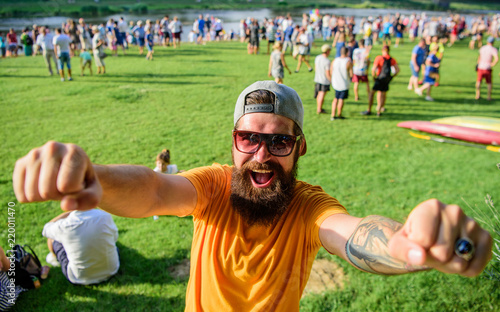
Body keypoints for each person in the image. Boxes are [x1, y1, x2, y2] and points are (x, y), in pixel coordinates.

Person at [13, 80, 493, 311]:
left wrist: (406, 246)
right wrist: (99, 180)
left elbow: (353, 233)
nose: (262, 155)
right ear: (233, 142)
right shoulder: (215, 186)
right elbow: (157, 190)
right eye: (250, 139)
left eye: (279, 142)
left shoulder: (309, 207)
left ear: (299, 148)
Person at [43, 209, 119, 285]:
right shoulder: (105, 215)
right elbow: (115, 238)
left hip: (79, 278)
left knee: (52, 238)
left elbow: (46, 229)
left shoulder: (64, 225)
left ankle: (54, 258)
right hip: (111, 270)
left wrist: (68, 213)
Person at [361, 45, 399, 117]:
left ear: (382, 50)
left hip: (380, 78)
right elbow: (397, 70)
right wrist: (392, 77)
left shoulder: (379, 58)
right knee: (383, 93)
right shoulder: (391, 59)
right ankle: (380, 108)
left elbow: (373, 69)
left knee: (373, 93)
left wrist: (374, 77)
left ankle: (370, 109)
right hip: (387, 79)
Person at [330, 46, 352, 120]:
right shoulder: (348, 62)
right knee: (341, 99)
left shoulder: (335, 60)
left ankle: (333, 114)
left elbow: (331, 71)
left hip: (336, 82)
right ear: (347, 53)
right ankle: (339, 114)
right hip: (344, 83)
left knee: (336, 98)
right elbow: (351, 74)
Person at [475, 36, 498, 101]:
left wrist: (477, 64)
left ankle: (477, 95)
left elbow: (479, 57)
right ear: (493, 42)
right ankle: (489, 96)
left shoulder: (482, 48)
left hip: (480, 66)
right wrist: (492, 64)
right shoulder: (493, 49)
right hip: (487, 67)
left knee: (479, 81)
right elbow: (496, 59)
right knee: (489, 83)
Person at [314, 44, 332, 114]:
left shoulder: (318, 57)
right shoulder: (327, 61)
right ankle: (319, 109)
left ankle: (319, 107)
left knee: (319, 94)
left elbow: (315, 68)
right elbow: (327, 73)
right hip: (324, 80)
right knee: (322, 94)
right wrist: (331, 80)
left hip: (318, 78)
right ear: (327, 51)